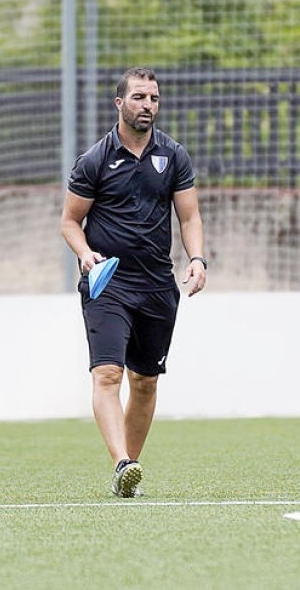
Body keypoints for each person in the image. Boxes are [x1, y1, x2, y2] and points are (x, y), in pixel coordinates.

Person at [60, 66, 207, 498]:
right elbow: (70, 222)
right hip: (108, 283)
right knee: (108, 374)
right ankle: (122, 461)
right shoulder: (94, 160)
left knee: (145, 382)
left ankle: (128, 473)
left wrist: (197, 258)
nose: (148, 106)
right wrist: (86, 255)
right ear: (119, 103)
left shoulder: (174, 156)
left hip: (158, 285)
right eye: (140, 97)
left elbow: (190, 216)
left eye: (154, 99)